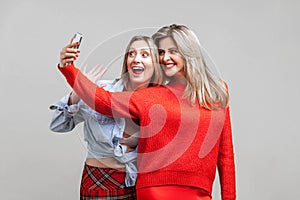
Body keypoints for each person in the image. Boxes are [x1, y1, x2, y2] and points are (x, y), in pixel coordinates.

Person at [56, 24, 236, 200]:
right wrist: (69, 69)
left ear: (188, 52)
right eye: (161, 53)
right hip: (154, 191)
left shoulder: (217, 91)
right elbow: (103, 101)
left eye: (172, 51)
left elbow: (225, 154)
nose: (165, 58)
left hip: (199, 191)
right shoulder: (151, 96)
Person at [49, 35, 164, 199]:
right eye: (131, 54)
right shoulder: (101, 90)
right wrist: (78, 91)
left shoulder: (161, 102)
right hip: (98, 183)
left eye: (145, 55)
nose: (136, 59)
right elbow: (58, 124)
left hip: (139, 184)